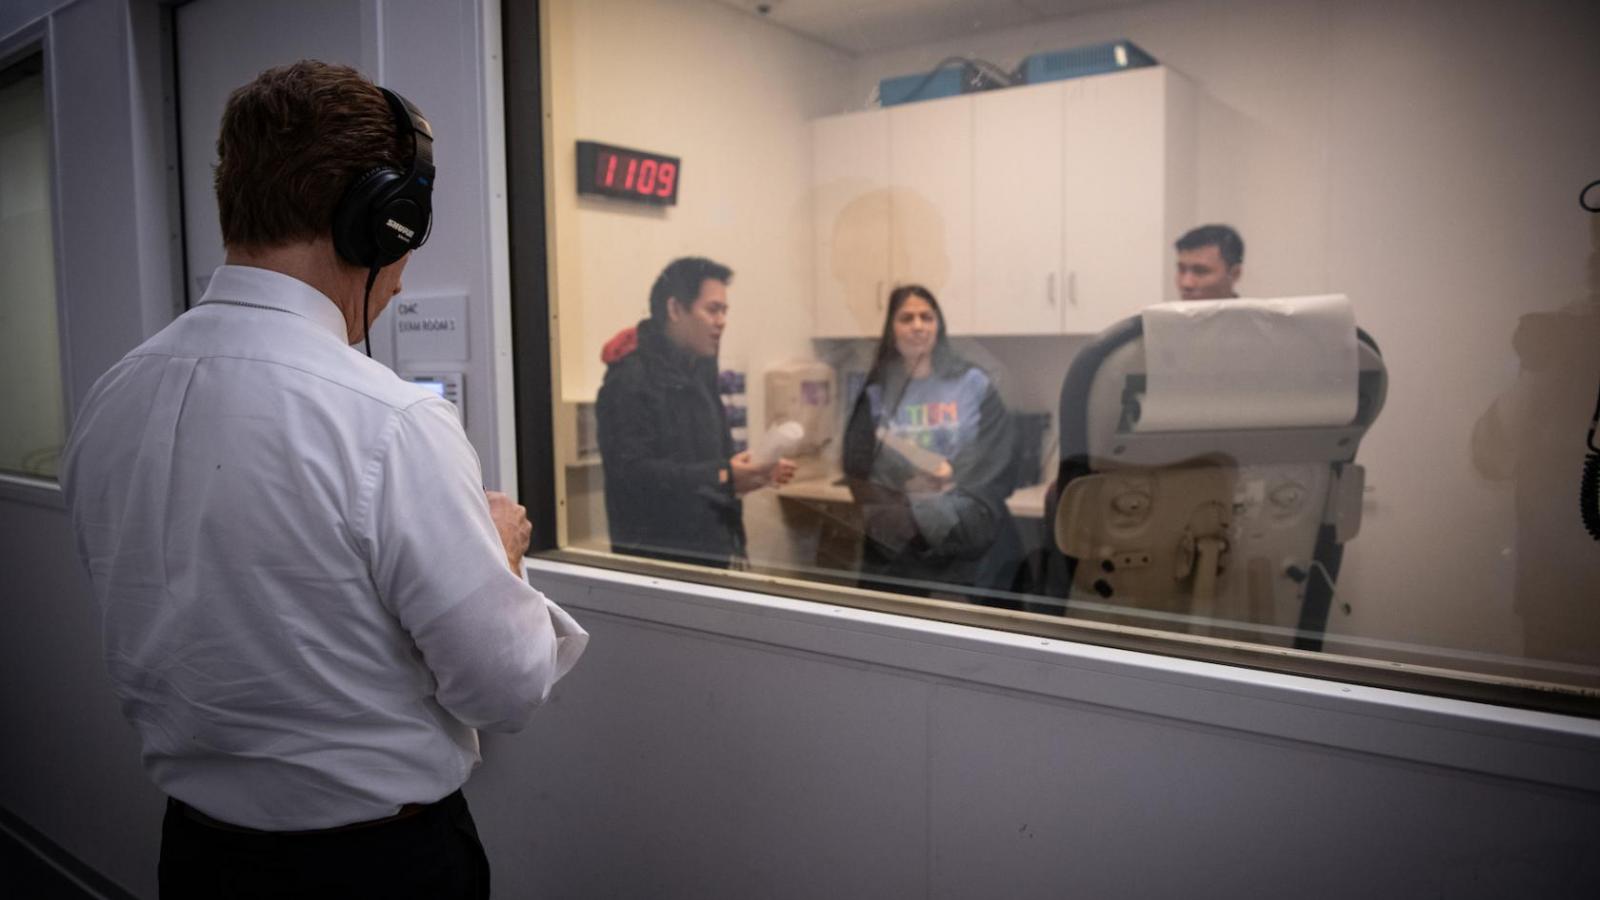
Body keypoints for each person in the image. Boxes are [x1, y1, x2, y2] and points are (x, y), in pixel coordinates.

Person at [60, 60, 587, 900]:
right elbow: (506, 688)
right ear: (384, 222)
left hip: (196, 858)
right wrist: (499, 551)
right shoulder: (390, 423)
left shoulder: (114, 394)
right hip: (372, 870)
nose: (406, 270)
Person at [596, 256, 796, 568]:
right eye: (713, 310)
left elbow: (707, 465)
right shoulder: (630, 379)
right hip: (658, 566)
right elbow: (634, 475)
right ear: (675, 309)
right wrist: (723, 475)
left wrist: (749, 474)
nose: (722, 321)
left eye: (725, 311)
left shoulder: (700, 368)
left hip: (711, 553)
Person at [842, 284, 1021, 605]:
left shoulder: (972, 383)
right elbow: (857, 463)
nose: (917, 325)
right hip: (901, 540)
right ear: (891, 329)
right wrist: (906, 484)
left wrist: (953, 474)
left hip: (966, 537)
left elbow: (996, 455)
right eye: (906, 318)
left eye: (926, 316)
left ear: (939, 325)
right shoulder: (877, 390)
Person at [1175, 223, 1245, 300]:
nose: (1186, 283)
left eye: (1200, 271)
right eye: (1181, 270)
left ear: (1234, 274)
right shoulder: (1165, 311)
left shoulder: (1254, 311)